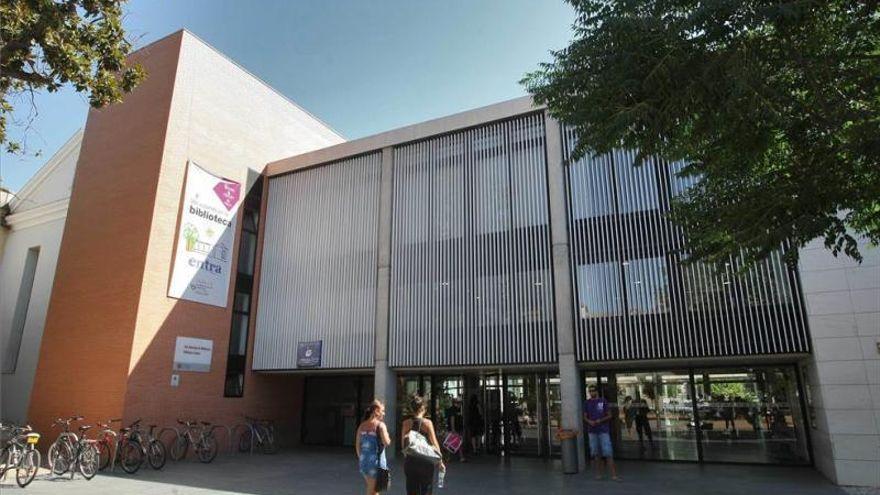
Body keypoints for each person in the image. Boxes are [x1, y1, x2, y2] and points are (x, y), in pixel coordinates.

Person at [402, 395, 444, 495]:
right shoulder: (427, 423)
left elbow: (403, 444)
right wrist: (440, 462)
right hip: (426, 461)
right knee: (426, 490)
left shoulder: (406, 423)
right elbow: (434, 443)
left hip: (411, 461)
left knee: (411, 491)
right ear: (422, 408)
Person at [583, 385, 619, 481]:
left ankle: (614, 475)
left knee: (608, 452)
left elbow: (609, 415)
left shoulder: (603, 401)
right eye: (590, 391)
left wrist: (600, 420)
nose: (591, 393)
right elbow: (585, 416)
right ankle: (598, 474)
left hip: (603, 430)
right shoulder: (587, 403)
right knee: (595, 453)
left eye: (593, 391)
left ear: (597, 391)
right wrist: (589, 421)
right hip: (592, 431)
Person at [356, 400, 391, 495]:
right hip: (376, 463)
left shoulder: (362, 426)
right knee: (372, 491)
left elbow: (358, 445)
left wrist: (362, 458)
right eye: (382, 411)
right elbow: (387, 442)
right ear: (376, 411)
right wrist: (387, 434)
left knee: (374, 491)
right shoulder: (380, 425)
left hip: (364, 462)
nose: (384, 413)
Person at [444, 397, 466, 462]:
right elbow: (452, 419)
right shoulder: (453, 409)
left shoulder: (458, 409)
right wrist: (453, 430)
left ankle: (450, 458)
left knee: (455, 443)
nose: (460, 404)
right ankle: (459, 457)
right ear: (456, 403)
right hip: (454, 429)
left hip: (457, 428)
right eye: (459, 403)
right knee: (454, 443)